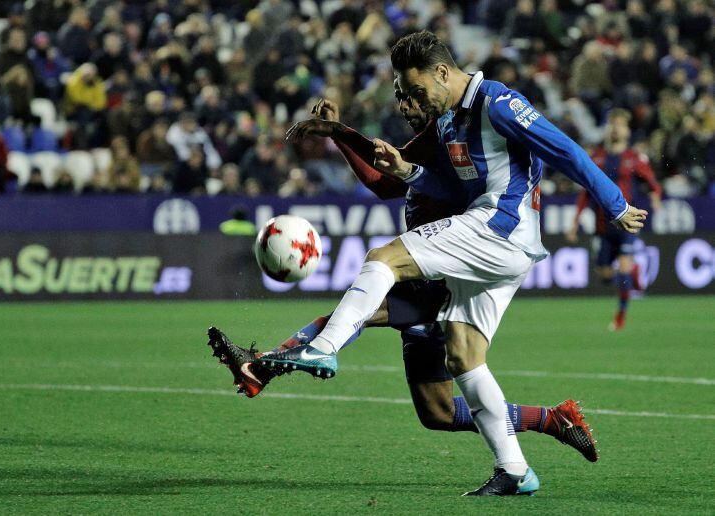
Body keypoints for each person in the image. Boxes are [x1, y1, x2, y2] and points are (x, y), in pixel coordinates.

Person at [216, 31, 647, 496]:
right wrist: (388, 161)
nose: (407, 102)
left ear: (442, 73)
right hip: (489, 247)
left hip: (497, 230)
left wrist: (614, 203)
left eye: (415, 92)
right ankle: (516, 470)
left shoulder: (496, 103)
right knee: (459, 365)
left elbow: (564, 149)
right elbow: (410, 184)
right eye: (403, 94)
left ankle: (305, 353)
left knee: (383, 261)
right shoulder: (445, 124)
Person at [567, 109, 662, 330]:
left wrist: (655, 196)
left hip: (627, 222)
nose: (616, 128)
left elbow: (652, 183)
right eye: (613, 124)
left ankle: (620, 316)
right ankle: (634, 272)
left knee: (624, 268)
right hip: (603, 225)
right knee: (605, 274)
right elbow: (585, 192)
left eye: (620, 125)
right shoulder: (596, 157)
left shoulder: (633, 158)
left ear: (627, 131)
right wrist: (574, 222)